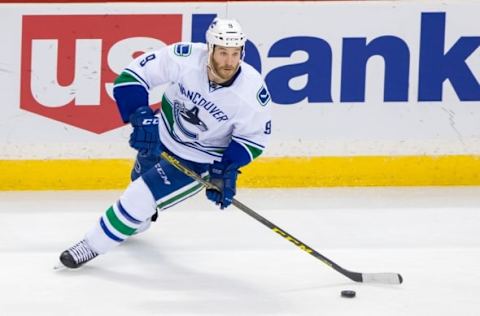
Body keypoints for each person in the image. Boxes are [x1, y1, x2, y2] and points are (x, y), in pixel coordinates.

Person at [58, 17, 272, 268]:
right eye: (223, 52)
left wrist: (226, 169)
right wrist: (140, 116)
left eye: (235, 53)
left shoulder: (251, 92)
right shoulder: (185, 58)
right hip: (160, 136)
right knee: (137, 188)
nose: (229, 62)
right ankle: (139, 220)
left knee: (138, 196)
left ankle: (90, 246)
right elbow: (132, 76)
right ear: (210, 48)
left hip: (198, 161)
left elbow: (252, 140)